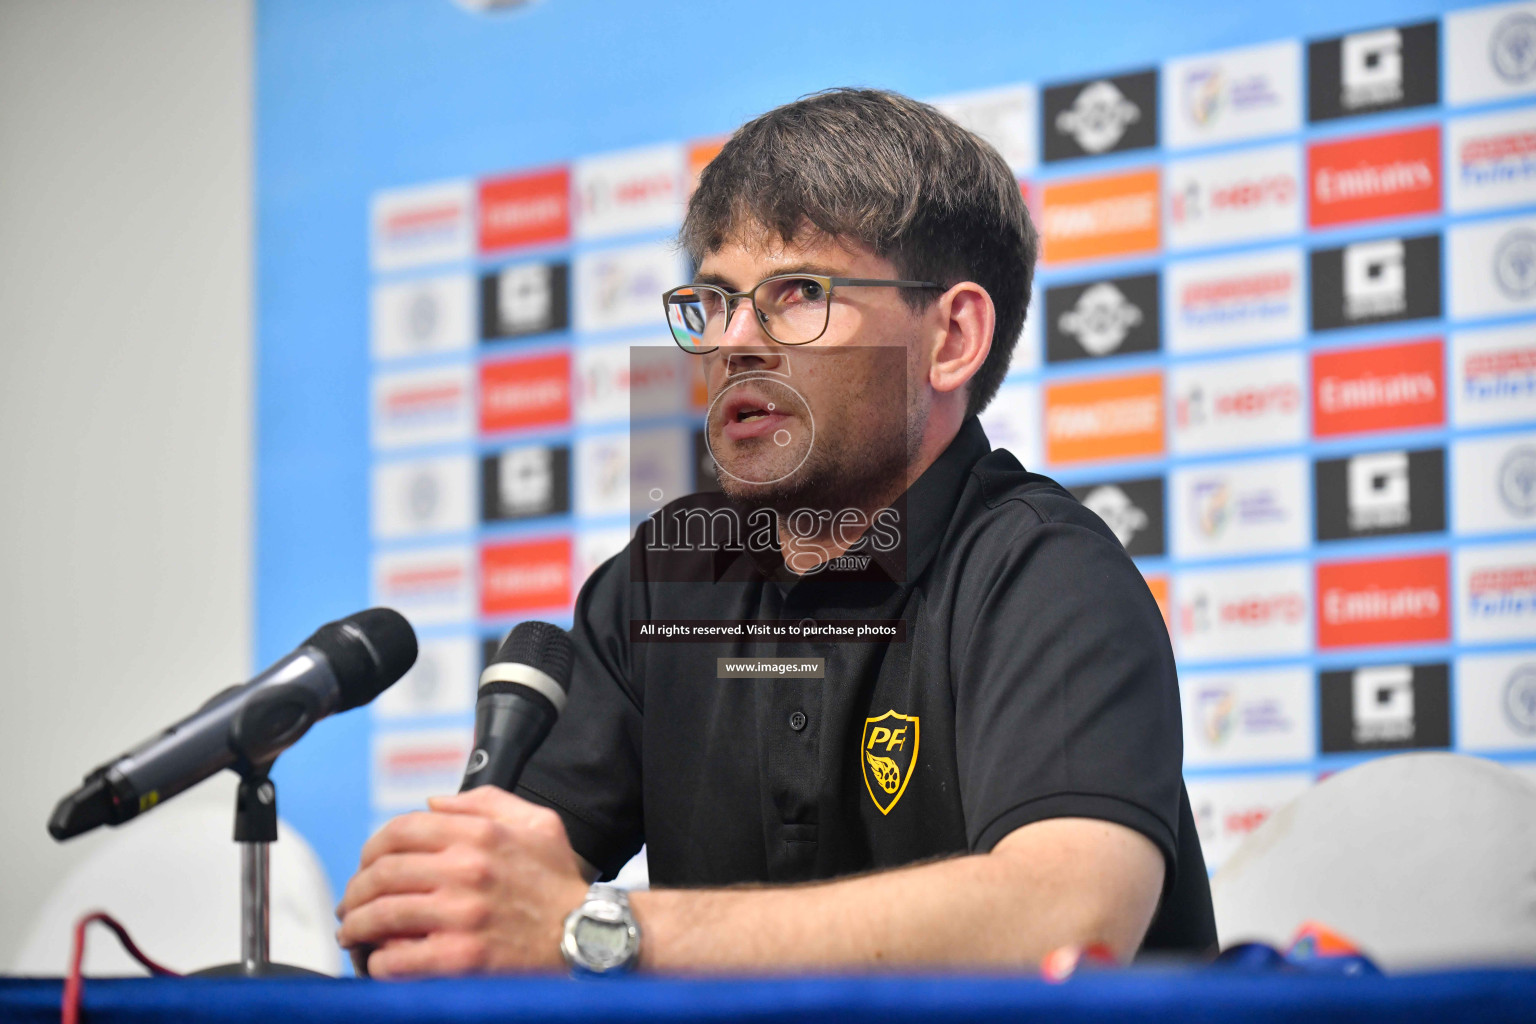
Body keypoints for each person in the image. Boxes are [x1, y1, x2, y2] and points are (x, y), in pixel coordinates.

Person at [337, 87, 1216, 977]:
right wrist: (448, 903)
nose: (735, 343)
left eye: (800, 293)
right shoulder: (663, 582)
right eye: (716, 302)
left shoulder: (1045, 571)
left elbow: (1066, 912)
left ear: (952, 337)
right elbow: (505, 896)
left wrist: (605, 934)